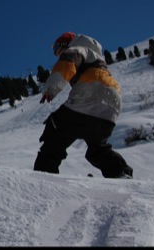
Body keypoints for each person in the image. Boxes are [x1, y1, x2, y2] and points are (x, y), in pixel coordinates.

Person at [34, 32, 133, 179]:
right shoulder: (95, 56)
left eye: (57, 48)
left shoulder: (77, 49)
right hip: (112, 104)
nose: (56, 53)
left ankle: (44, 175)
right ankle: (120, 172)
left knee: (55, 129)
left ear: (65, 44)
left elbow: (67, 63)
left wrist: (51, 88)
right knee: (97, 148)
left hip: (91, 94)